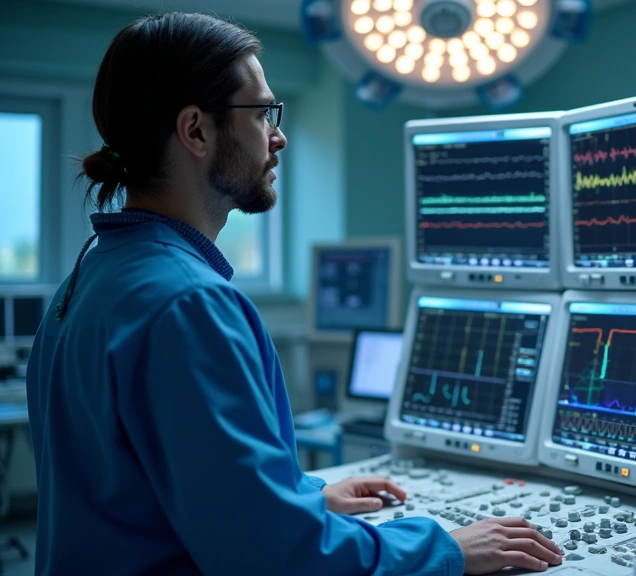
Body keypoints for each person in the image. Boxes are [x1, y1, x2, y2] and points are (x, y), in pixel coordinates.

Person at [25, 12, 563, 576]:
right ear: (196, 130)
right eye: (261, 114)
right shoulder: (187, 304)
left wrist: (301, 498)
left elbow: (144, 491)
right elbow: (279, 560)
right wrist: (446, 548)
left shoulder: (89, 277)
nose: (278, 136)